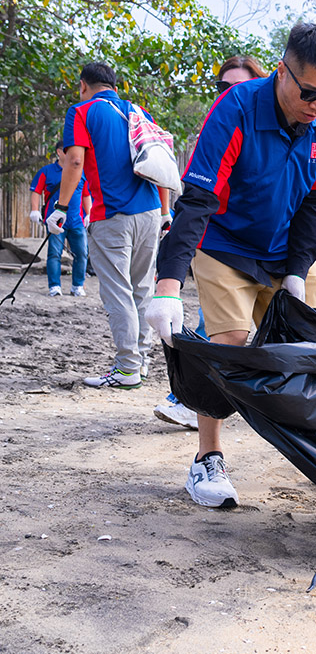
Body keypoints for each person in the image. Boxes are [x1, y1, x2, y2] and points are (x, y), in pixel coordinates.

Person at [146, 23, 316, 508]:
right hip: (226, 246)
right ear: (282, 72)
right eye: (309, 92)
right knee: (231, 348)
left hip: (284, 253)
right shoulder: (235, 108)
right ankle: (207, 459)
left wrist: (299, 271)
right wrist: (168, 284)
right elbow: (197, 201)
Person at [155, 55, 271, 430]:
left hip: (267, 250)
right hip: (216, 242)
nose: (230, 94)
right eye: (223, 87)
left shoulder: (273, 132)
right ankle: (195, 411)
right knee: (222, 333)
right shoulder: (215, 129)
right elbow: (197, 198)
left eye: (240, 87)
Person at [48, 62, 171, 389]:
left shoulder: (81, 111)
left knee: (118, 292)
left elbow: (75, 160)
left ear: (83, 86)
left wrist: (61, 207)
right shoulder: (138, 112)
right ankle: (141, 363)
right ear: (115, 86)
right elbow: (156, 158)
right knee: (142, 289)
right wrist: (166, 211)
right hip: (150, 212)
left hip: (111, 214)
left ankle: (127, 368)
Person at [30, 141, 91, 297]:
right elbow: (36, 191)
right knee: (54, 254)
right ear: (59, 152)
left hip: (77, 221)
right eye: (68, 151)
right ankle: (55, 286)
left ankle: (77, 286)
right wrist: (35, 210)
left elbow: (85, 194)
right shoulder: (46, 172)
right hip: (55, 221)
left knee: (82, 253)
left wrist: (89, 213)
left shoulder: (81, 172)